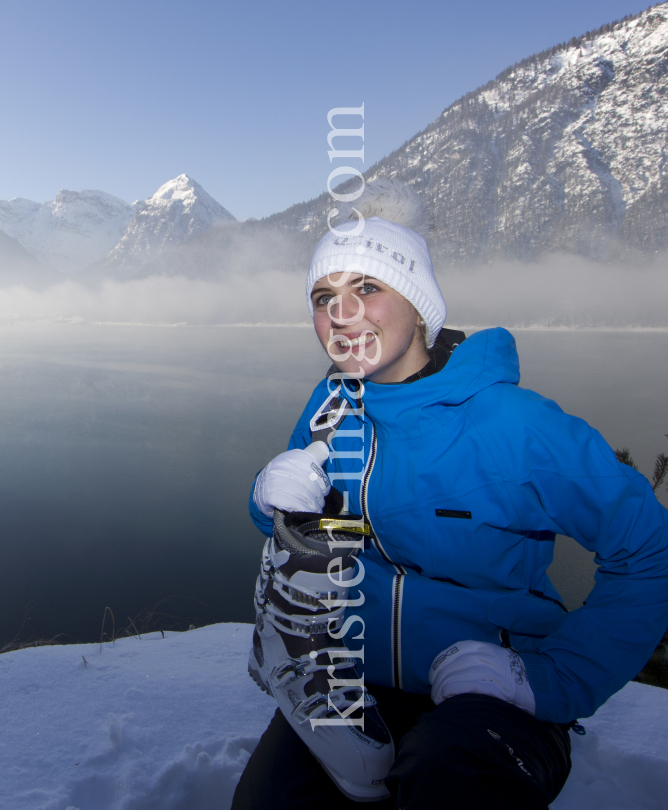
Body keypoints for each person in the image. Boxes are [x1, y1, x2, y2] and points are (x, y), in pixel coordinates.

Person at [231, 179, 668, 810]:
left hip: (495, 698)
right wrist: (268, 499)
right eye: (324, 297)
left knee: (446, 780)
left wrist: (541, 682)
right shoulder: (331, 408)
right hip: (350, 688)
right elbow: (297, 519)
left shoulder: (516, 427)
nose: (342, 315)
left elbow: (650, 554)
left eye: (368, 289)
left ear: (418, 304)